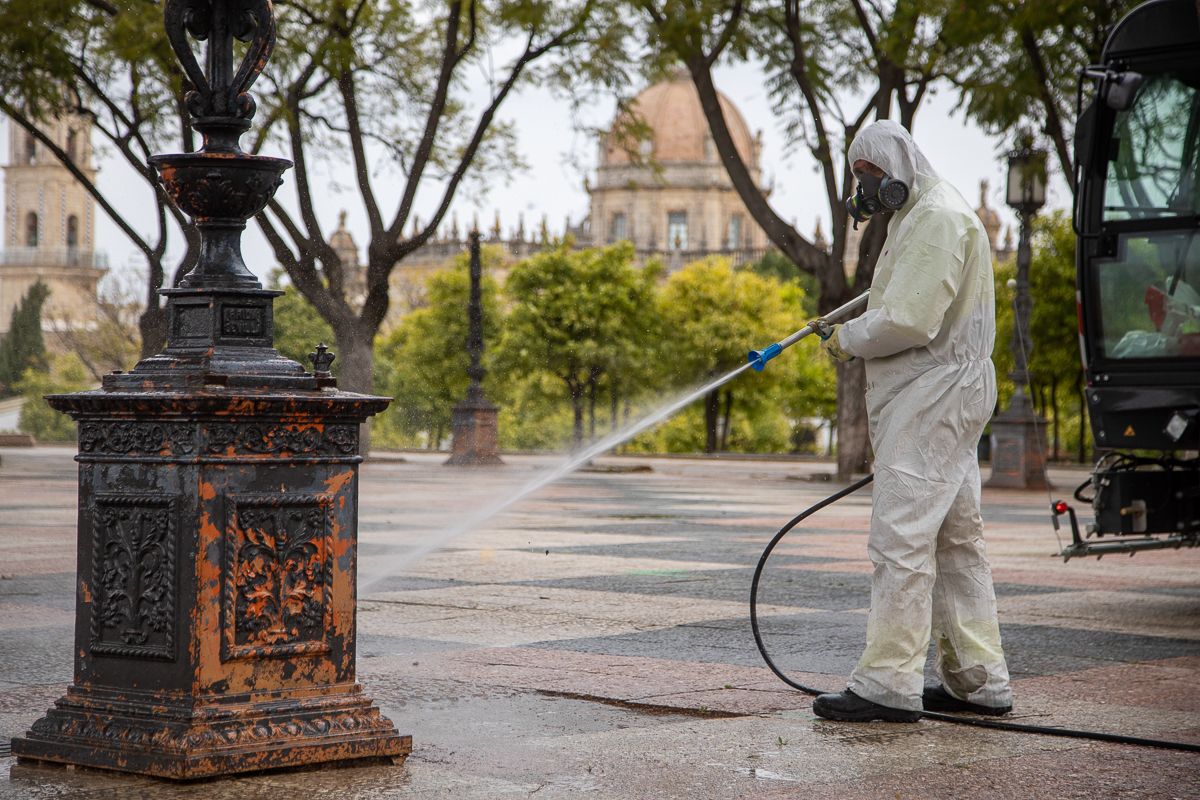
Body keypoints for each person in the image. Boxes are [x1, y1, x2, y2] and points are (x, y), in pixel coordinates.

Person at [808, 120, 1013, 723]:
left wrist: (847, 339)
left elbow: (910, 320)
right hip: (943, 394)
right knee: (955, 540)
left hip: (934, 396)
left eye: (867, 175)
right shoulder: (921, 216)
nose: (863, 189)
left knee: (900, 537)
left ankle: (886, 684)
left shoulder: (936, 218)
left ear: (895, 167)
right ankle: (978, 680)